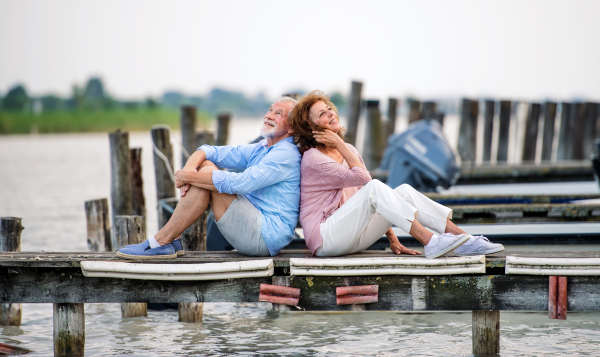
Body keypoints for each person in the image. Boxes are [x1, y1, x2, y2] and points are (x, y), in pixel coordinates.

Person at [289, 90, 504, 258]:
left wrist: (392, 237)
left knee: (404, 191)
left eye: (329, 109)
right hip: (325, 239)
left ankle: (465, 240)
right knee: (375, 186)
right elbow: (366, 181)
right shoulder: (313, 159)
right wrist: (338, 142)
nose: (330, 114)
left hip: (349, 236)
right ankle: (431, 242)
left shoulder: (350, 151)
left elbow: (364, 194)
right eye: (322, 114)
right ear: (311, 126)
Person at [117, 97, 301, 259]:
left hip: (265, 238)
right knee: (205, 166)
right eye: (270, 110)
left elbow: (243, 182)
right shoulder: (263, 147)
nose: (269, 115)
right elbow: (211, 151)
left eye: (278, 113)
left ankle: (162, 241)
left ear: (292, 127)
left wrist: (189, 177)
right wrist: (189, 170)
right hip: (255, 223)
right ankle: (168, 241)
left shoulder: (285, 153)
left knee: (206, 175)